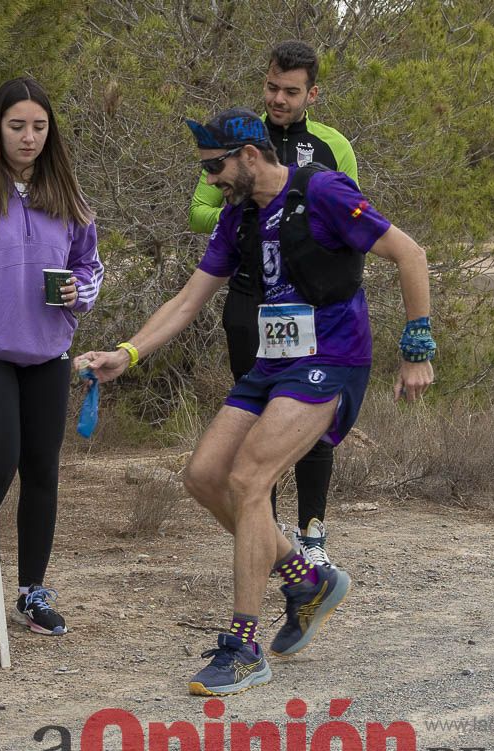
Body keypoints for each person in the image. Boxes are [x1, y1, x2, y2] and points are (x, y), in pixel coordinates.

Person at [78, 109, 435, 696]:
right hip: (273, 363)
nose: (210, 181)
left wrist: (417, 347)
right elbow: (188, 300)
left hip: (330, 360)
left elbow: (410, 254)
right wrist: (128, 352)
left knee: (249, 481)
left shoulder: (320, 188)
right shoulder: (236, 219)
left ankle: (244, 647)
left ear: (248, 155)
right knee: (204, 475)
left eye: (214, 168)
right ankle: (304, 580)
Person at [189, 40, 358, 567]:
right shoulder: (238, 138)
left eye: (291, 91)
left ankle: (313, 537)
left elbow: (353, 219)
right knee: (255, 423)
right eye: (271, 88)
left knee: (308, 421)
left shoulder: (332, 146)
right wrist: (241, 215)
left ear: (313, 93)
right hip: (247, 295)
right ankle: (267, 528)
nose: (279, 99)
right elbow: (200, 207)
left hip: (306, 305)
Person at [0, 77, 104, 637]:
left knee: (43, 468)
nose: (29, 137)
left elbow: (90, 267)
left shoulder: (68, 192)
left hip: (50, 352)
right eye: (17, 126)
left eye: (39, 126)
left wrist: (79, 294)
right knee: (0, 459)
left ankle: (32, 592)